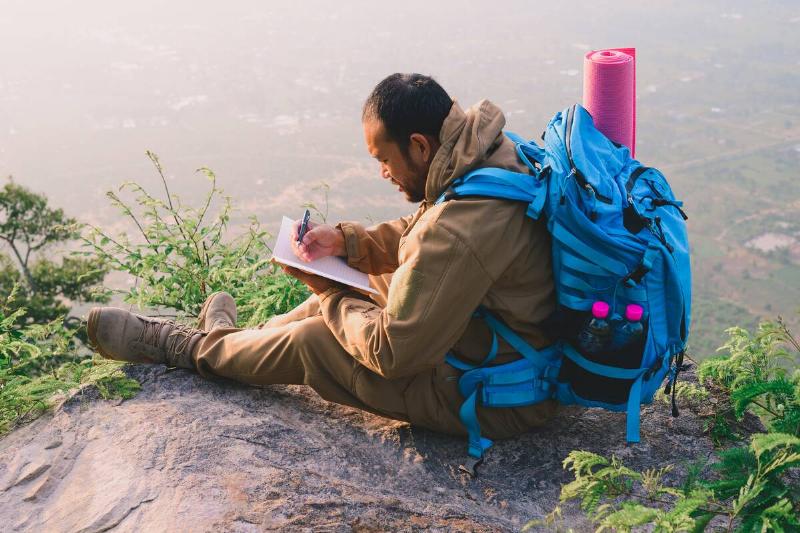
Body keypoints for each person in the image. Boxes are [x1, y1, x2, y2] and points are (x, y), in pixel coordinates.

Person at [87, 73, 557, 444]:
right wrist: (350, 244)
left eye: (384, 158)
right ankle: (232, 341)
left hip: (496, 394)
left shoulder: (463, 227)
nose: (383, 172)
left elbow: (393, 354)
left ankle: (182, 348)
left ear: (419, 144)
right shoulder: (487, 153)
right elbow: (429, 237)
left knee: (316, 337)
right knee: (363, 294)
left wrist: (330, 291)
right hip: (499, 341)